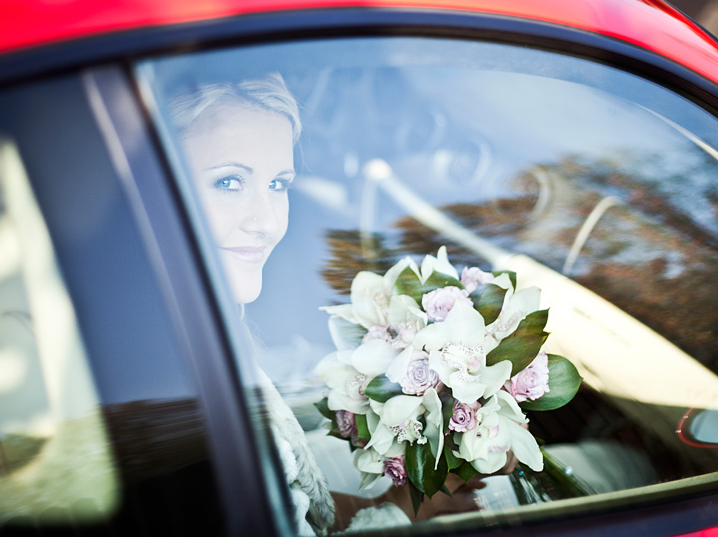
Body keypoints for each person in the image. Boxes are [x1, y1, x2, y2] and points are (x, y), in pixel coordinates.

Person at [170, 73, 489, 535]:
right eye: (228, 182)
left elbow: (291, 499)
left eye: (277, 185)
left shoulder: (188, 315)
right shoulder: (192, 382)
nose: (267, 223)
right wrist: (405, 511)